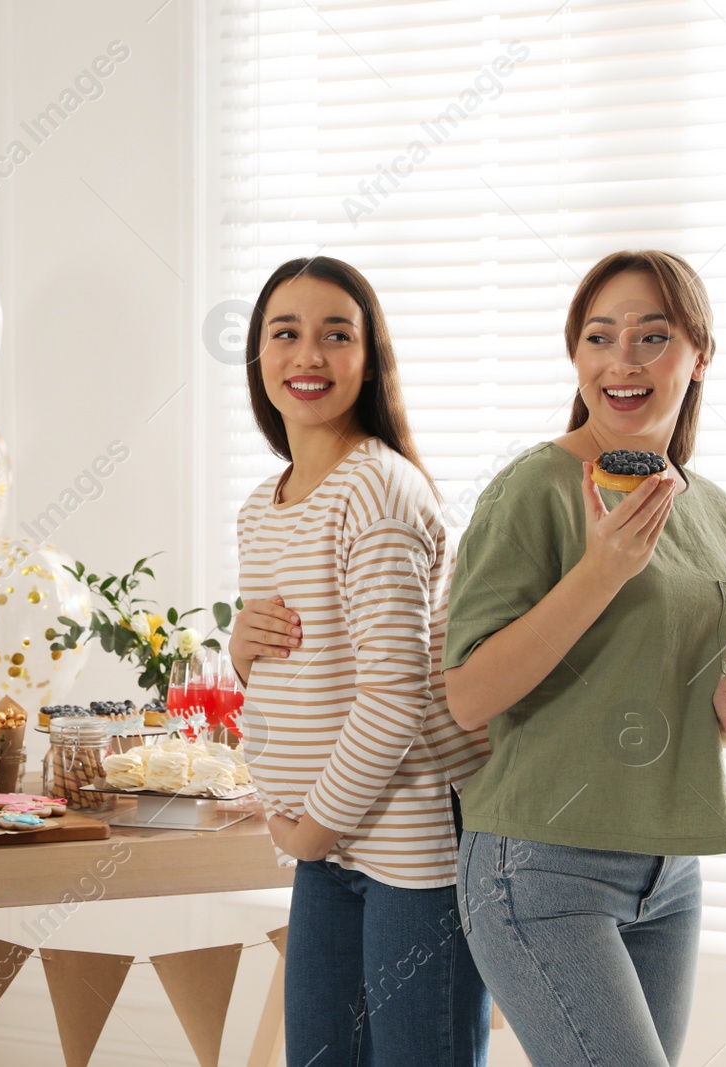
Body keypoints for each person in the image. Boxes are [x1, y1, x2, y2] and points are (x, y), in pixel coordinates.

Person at [443, 250, 726, 1067]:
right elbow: (468, 694)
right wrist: (600, 572)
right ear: (576, 357)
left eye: (651, 337)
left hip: (670, 872)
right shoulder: (535, 487)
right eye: (599, 337)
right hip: (542, 867)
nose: (621, 361)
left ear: (699, 355)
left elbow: (677, 705)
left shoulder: (714, 509)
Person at [230, 256, 492, 1066]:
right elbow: (303, 669)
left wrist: (310, 830)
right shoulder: (263, 506)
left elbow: (394, 697)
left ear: (369, 360)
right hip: (326, 835)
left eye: (335, 335)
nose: (308, 355)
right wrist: (240, 657)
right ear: (258, 357)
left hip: (407, 842)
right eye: (286, 333)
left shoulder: (377, 492)